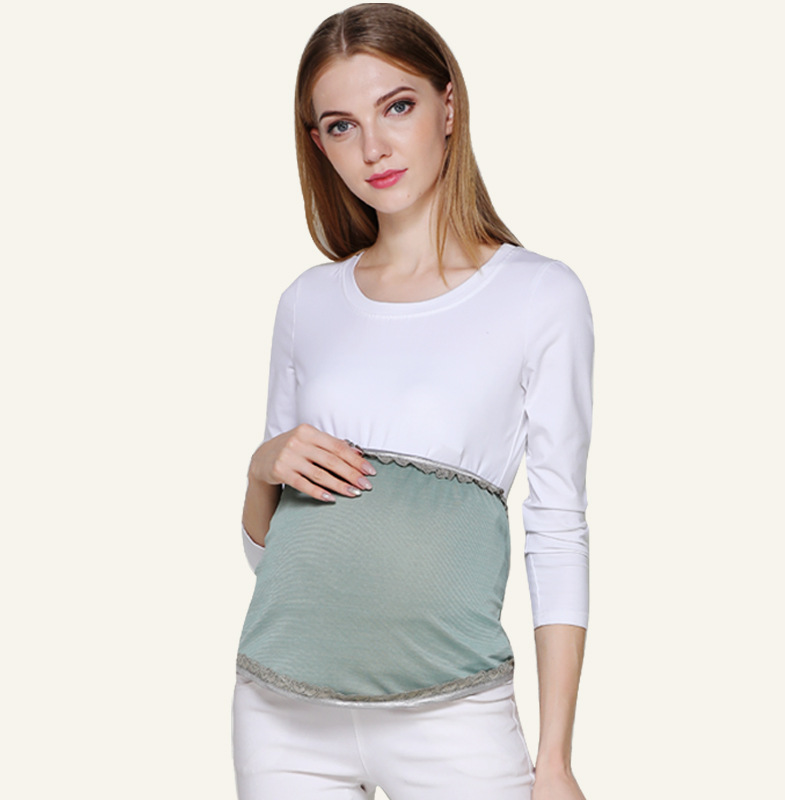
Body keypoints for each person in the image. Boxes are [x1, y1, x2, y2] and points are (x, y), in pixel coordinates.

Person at [232, 4, 593, 799]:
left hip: (453, 715)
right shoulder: (307, 302)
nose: (373, 149)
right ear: (318, 143)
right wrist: (262, 467)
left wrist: (556, 759)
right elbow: (269, 557)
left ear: (448, 105)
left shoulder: (540, 295)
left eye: (397, 106)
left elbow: (557, 524)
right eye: (341, 126)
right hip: (283, 714)